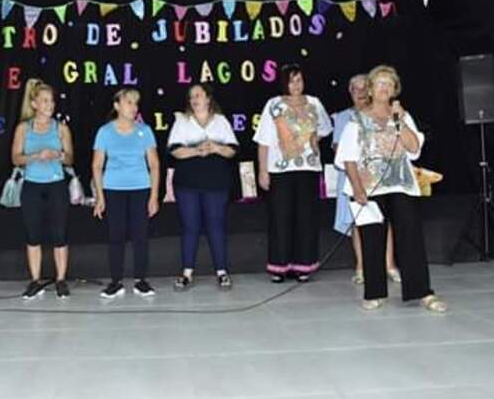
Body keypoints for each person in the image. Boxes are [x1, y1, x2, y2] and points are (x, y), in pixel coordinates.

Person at [335, 65, 447, 312]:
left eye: (389, 84)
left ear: (395, 89)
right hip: (369, 187)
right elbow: (348, 157)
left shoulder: (403, 116)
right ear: (371, 90)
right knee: (372, 238)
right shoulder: (356, 120)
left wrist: (399, 120)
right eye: (379, 83)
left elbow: (414, 147)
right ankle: (374, 292)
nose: (384, 88)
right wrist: (357, 188)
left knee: (411, 237)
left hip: (400, 185)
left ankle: (422, 292)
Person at [254, 64, 332, 283]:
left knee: (306, 217)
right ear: (283, 83)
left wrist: (315, 138)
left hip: (308, 167)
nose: (295, 85)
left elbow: (325, 127)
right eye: (291, 81)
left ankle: (303, 266)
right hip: (280, 169)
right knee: (280, 217)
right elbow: (263, 140)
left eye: (299, 80)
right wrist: (262, 170)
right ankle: (279, 266)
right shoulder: (274, 104)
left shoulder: (314, 103)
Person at [167, 84, 239, 291]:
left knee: (216, 225)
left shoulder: (221, 121)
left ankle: (222, 272)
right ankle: (187, 273)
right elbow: (174, 150)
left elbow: (233, 150)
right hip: (187, 183)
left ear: (208, 98)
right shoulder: (182, 121)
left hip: (216, 182)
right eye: (191, 97)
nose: (194, 99)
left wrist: (216, 147)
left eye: (198, 95)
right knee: (190, 226)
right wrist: (197, 151)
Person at [332, 74, 400, 285]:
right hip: (354, 177)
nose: (360, 93)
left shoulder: (382, 114)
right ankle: (361, 267)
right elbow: (338, 150)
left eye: (364, 88)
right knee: (358, 223)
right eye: (355, 89)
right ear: (350, 93)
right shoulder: (344, 117)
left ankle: (389, 265)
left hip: (380, 176)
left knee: (384, 220)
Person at [92, 88, 160, 298]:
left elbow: (155, 165)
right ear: (117, 106)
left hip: (140, 188)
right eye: (129, 102)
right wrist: (100, 197)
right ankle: (115, 281)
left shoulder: (144, 131)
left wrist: (154, 196)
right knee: (116, 236)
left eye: (135, 103)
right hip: (114, 189)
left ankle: (141, 280)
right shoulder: (105, 132)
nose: (133, 107)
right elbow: (96, 166)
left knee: (140, 235)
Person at [11, 79, 74, 300]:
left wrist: (58, 154)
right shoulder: (23, 128)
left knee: (60, 234)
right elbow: (16, 158)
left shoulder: (61, 128)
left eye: (52, 101)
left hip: (56, 184)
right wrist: (36, 156)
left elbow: (70, 159)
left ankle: (61, 280)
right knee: (33, 235)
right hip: (32, 186)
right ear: (34, 103)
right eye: (45, 101)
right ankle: (35, 280)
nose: (50, 105)